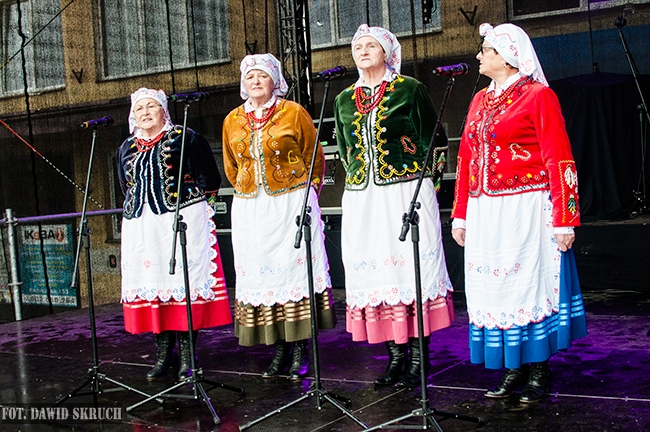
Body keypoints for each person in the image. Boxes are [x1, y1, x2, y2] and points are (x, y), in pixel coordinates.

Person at [451, 23, 588, 403]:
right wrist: (461, 213)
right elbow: (465, 159)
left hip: (526, 207)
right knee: (498, 290)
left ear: (508, 57)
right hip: (485, 210)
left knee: (529, 285)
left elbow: (559, 157)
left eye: (486, 50)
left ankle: (538, 369)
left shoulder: (538, 96)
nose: (479, 55)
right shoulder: (479, 100)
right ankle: (513, 367)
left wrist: (565, 218)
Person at [333, 24, 455, 389]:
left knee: (410, 271)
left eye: (371, 46)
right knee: (377, 277)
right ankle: (395, 357)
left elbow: (436, 141)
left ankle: (418, 357)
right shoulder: (343, 99)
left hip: (405, 192)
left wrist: (429, 188)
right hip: (363, 197)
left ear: (387, 53)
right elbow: (344, 150)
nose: (363, 51)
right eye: (358, 47)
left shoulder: (409, 89)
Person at [221, 54, 335, 380]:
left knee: (292, 273)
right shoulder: (232, 120)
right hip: (251, 208)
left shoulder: (293, 112)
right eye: (250, 76)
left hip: (290, 203)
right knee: (264, 276)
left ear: (275, 81)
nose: (256, 81)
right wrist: (248, 187)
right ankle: (279, 350)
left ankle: (299, 350)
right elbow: (231, 165)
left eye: (263, 76)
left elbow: (314, 156)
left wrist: (307, 194)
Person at [117, 87, 232, 381]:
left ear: (163, 110)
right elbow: (125, 186)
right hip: (143, 226)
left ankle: (188, 356)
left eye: (151, 106)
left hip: (181, 221)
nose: (145, 112)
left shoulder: (185, 137)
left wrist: (196, 208)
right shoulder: (126, 147)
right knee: (155, 287)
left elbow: (210, 179)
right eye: (139, 108)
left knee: (183, 286)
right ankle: (164, 353)